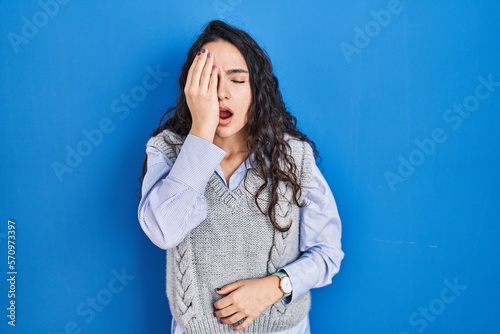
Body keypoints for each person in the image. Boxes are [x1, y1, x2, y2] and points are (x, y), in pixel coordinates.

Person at [138, 20, 343, 334]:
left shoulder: (292, 158)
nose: (221, 93)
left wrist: (275, 286)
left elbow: (327, 254)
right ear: (192, 88)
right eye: (209, 80)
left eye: (236, 80)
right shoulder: (166, 151)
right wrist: (201, 133)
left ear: (256, 89)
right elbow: (164, 232)